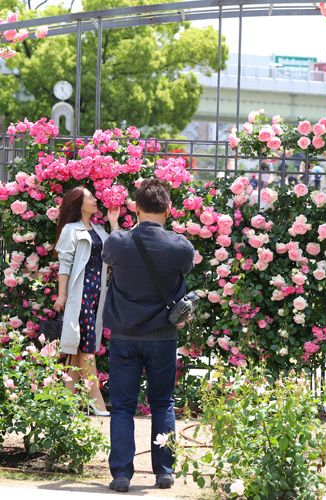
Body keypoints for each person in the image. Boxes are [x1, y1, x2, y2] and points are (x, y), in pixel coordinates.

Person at [103, 179, 195, 493]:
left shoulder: (118, 242)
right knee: (162, 404)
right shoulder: (180, 245)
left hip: (124, 335)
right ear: (168, 210)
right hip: (163, 336)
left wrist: (115, 224)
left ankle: (121, 474)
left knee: (123, 407)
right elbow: (185, 270)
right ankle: (164, 471)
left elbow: (111, 252)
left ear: (136, 209)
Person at [54, 186, 120, 417]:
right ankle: (95, 398)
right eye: (89, 197)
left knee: (77, 347)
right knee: (87, 344)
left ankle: (67, 401)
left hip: (96, 295)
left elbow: (115, 252)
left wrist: (113, 223)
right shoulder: (70, 230)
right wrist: (62, 295)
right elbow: (65, 265)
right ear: (79, 204)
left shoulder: (100, 230)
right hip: (79, 294)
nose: (94, 199)